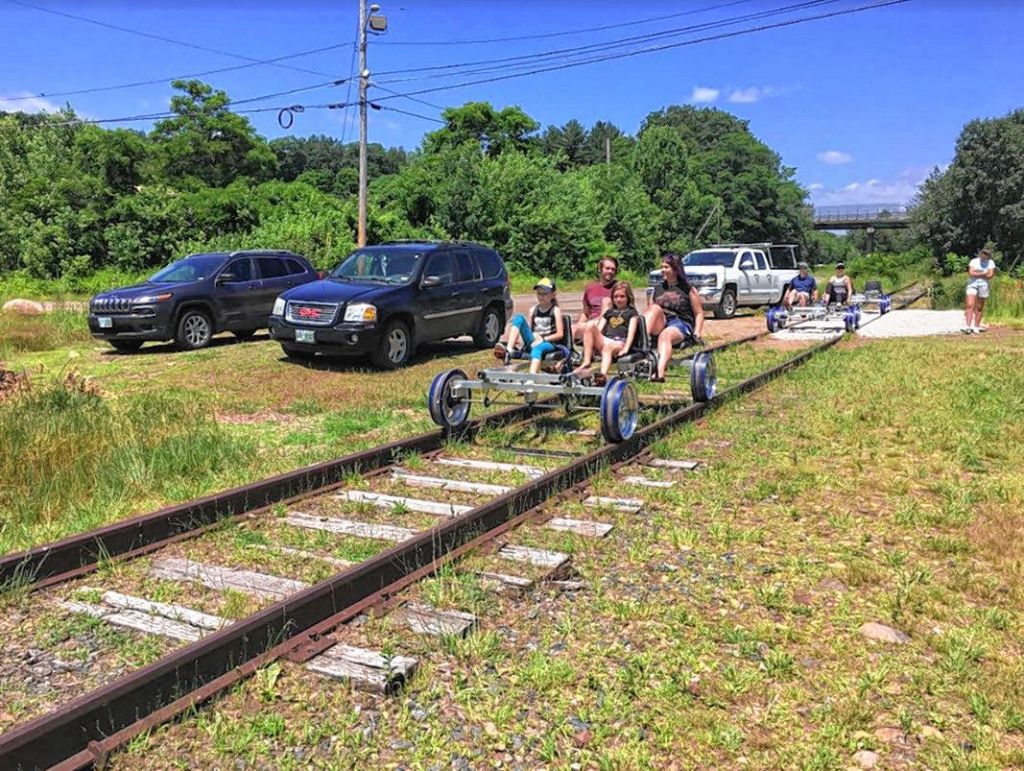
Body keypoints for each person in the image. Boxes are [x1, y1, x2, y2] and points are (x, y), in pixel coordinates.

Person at [644, 254, 705, 383]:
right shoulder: (657, 288)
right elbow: (650, 310)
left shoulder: (688, 289)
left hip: (680, 323)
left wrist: (697, 332)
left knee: (665, 336)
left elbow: (699, 313)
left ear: (675, 269)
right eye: (662, 267)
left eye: (666, 267)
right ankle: (641, 343)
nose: (662, 270)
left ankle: (659, 372)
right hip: (662, 321)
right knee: (654, 309)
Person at [574, 280, 639, 386]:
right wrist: (593, 342)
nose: (618, 299)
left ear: (628, 297)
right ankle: (586, 361)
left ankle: (602, 375)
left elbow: (631, 332)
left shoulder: (631, 313)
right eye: (616, 296)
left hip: (620, 342)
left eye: (622, 296)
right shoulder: (609, 312)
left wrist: (626, 348)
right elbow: (598, 329)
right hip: (606, 340)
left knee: (608, 347)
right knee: (590, 325)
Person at [494, 278, 565, 374]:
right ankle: (509, 350)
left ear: (553, 295)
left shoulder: (555, 310)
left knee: (537, 349)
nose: (541, 296)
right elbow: (530, 332)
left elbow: (560, 334)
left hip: (549, 343)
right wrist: (523, 341)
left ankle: (531, 378)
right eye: (539, 293)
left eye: (544, 293)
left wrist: (543, 339)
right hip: (534, 340)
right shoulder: (533, 310)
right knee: (519, 318)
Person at [572, 256, 619, 342]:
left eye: (613, 269)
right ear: (600, 269)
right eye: (607, 268)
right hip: (591, 322)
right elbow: (586, 312)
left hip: (610, 324)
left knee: (607, 301)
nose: (610, 271)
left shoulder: (618, 288)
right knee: (572, 329)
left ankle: (594, 338)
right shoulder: (590, 288)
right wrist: (578, 325)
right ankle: (569, 353)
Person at [964, 247, 996, 334]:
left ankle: (976, 326)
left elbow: (990, 275)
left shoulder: (991, 263)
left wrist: (977, 273)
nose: (984, 256)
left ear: (988, 256)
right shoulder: (974, 261)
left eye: (986, 254)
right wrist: (984, 273)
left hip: (984, 285)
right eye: (983, 253)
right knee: (970, 305)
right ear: (980, 254)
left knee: (979, 307)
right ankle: (967, 326)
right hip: (972, 284)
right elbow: (971, 273)